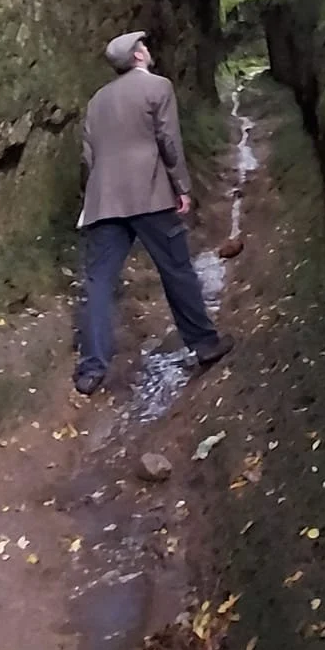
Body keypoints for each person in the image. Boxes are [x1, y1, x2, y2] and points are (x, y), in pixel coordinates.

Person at [74, 30, 231, 395]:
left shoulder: (97, 100)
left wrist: (92, 196)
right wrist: (183, 187)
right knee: (176, 268)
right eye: (145, 46)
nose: (148, 49)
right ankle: (204, 344)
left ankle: (92, 369)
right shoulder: (158, 87)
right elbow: (169, 141)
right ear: (139, 56)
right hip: (150, 193)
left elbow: (87, 157)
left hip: (103, 200)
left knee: (98, 283)